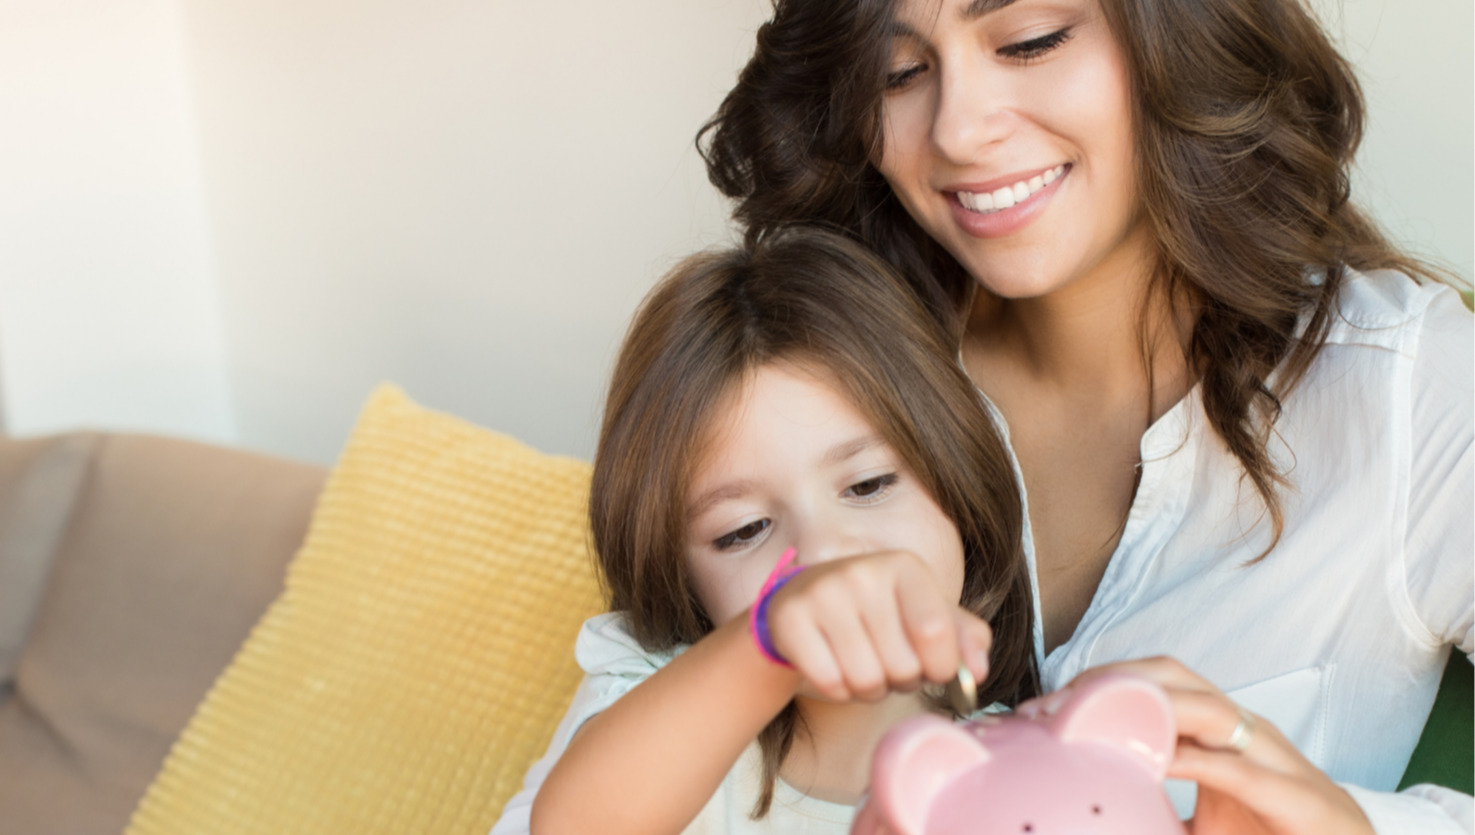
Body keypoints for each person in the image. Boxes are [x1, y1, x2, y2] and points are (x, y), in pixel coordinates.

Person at [688, 0, 1475, 833]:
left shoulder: (1411, 391)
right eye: (898, 73)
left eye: (1030, 41)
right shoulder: (815, 379)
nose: (956, 130)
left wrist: (1351, 825)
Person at [495, 226, 1040, 835]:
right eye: (744, 530)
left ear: (958, 475)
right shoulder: (652, 703)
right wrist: (772, 635)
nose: (823, 552)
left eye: (868, 486)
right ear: (680, 578)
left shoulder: (1020, 763)